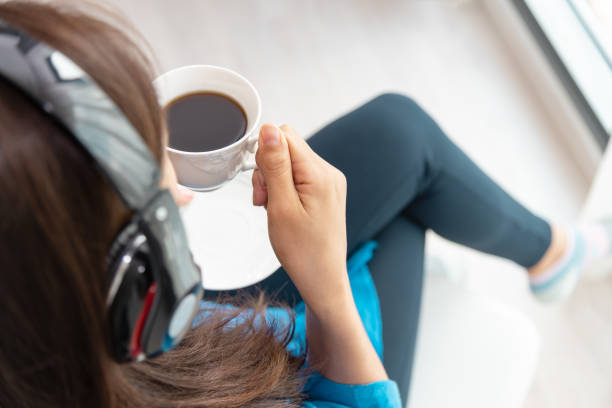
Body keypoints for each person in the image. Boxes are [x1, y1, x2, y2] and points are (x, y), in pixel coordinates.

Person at [0, 1, 610, 407]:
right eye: (160, 204)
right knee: (401, 206)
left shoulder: (41, 328)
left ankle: (551, 253)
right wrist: (328, 294)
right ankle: (553, 256)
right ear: (124, 290)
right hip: (306, 370)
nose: (183, 193)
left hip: (200, 334)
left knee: (395, 134)